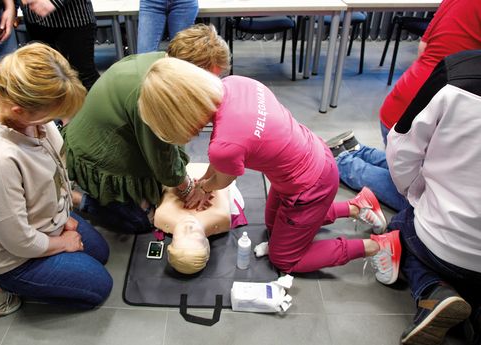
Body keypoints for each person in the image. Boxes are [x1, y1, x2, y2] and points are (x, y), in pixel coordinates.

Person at [138, 57, 402, 281]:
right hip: (312, 156)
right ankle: (358, 206)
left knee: (285, 259)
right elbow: (221, 163)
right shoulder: (236, 83)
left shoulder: (225, 145)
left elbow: (222, 178)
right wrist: (201, 183)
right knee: (272, 225)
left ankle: (377, 246)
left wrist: (203, 187)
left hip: (309, 186)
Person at [0, 43, 112, 316]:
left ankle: (50, 259)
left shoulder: (23, 114)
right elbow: (17, 241)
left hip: (42, 225)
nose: (56, 121)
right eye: (52, 116)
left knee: (100, 253)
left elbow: (51, 176)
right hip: (12, 254)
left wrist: (62, 216)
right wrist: (62, 243)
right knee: (98, 288)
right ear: (19, 110)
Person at [63, 24, 230, 235]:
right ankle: (74, 197)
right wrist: (188, 188)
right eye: (207, 80)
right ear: (188, 74)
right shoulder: (151, 93)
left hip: (105, 138)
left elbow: (167, 146)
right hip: (93, 157)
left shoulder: (161, 62)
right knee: (141, 221)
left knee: (163, 190)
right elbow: (162, 155)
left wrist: (183, 179)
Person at [328, 0, 481, 212]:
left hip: (404, 102)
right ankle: (340, 163)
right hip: (426, 113)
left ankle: (359, 151)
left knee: (413, 169)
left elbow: (423, 48)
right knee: (424, 202)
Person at [384, 50, 481, 345]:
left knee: (397, 230)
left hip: (443, 244)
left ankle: (432, 291)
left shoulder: (458, 72)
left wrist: (415, 194)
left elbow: (401, 152)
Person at [155, 163, 247, 274]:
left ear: (170, 244)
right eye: (195, 236)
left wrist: (189, 187)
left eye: (182, 236)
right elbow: (224, 183)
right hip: (216, 169)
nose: (189, 227)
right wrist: (206, 188)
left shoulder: (162, 216)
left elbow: (167, 186)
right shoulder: (220, 217)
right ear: (207, 243)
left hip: (179, 167)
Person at [18, 0, 99, 90]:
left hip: (72, 20)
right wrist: (12, 7)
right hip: (35, 19)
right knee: (44, 76)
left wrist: (53, 2)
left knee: (81, 76)